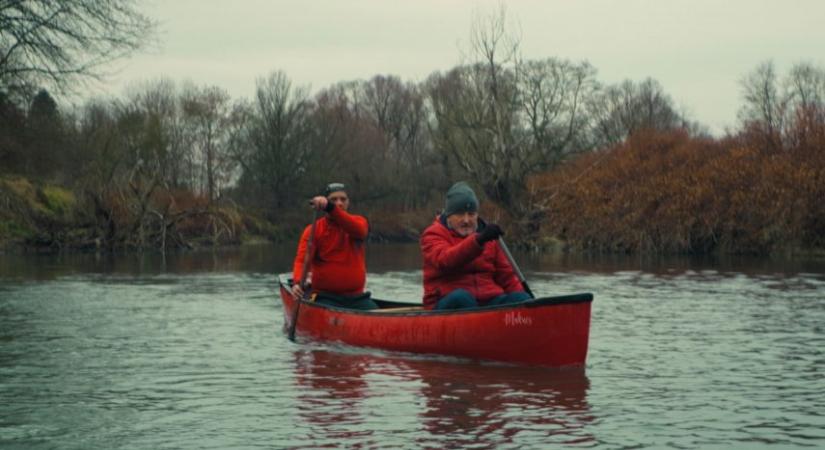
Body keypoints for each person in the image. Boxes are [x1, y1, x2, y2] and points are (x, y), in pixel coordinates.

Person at [420, 181, 531, 310]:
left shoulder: (489, 236)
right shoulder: (433, 234)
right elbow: (446, 260)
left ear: (477, 215)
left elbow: (507, 277)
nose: (466, 220)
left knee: (520, 299)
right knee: (462, 298)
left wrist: (527, 302)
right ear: (449, 216)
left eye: (471, 214)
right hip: (446, 302)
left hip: (488, 301)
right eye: (460, 214)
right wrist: (478, 240)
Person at [291, 182, 377, 310]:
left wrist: (330, 206)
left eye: (343, 199)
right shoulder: (313, 230)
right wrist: (297, 283)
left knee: (375, 312)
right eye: (334, 199)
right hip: (325, 297)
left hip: (357, 298)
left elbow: (359, 231)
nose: (339, 203)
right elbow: (302, 260)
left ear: (348, 202)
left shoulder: (359, 222)